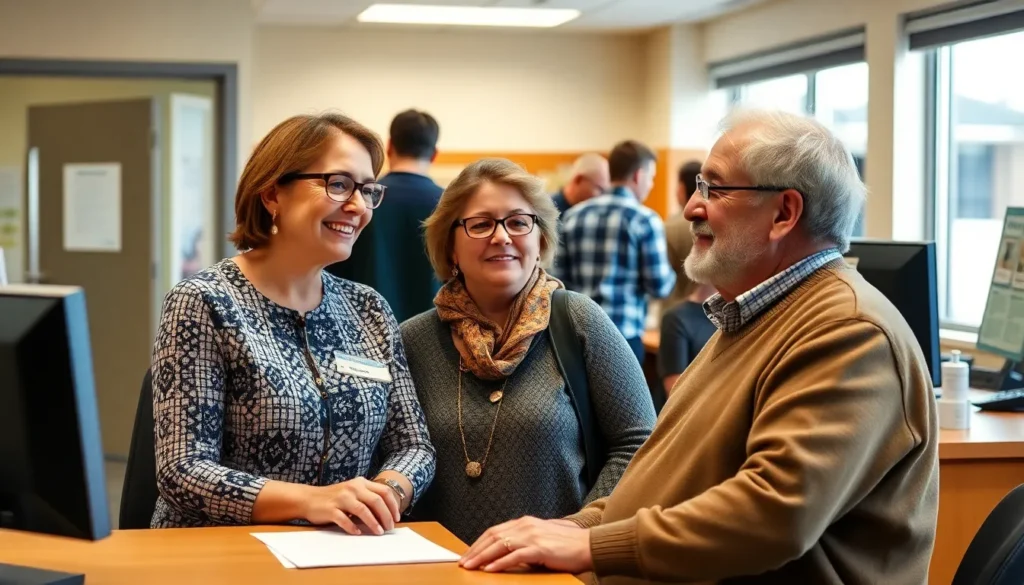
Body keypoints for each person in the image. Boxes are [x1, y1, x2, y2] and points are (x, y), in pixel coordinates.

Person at [458, 110, 939, 585]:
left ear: (784, 213)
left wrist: (590, 547)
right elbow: (670, 480)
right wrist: (576, 528)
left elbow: (774, 514)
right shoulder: (749, 318)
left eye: (715, 189)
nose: (691, 208)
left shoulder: (847, 331)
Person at [151, 113, 436, 532]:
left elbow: (413, 446)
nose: (358, 206)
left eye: (367, 190)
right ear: (272, 195)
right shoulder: (204, 301)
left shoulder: (369, 309)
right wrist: (313, 501)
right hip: (220, 549)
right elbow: (183, 470)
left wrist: (385, 493)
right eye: (338, 184)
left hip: (340, 548)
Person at [401, 158, 656, 544]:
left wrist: (577, 528)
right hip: (440, 566)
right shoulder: (412, 341)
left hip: (557, 567)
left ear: (540, 241)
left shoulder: (578, 321)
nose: (502, 236)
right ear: (450, 247)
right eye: (481, 224)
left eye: (519, 222)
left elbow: (639, 444)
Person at [555, 140, 675, 363]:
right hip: (624, 337)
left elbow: (558, 280)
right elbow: (659, 286)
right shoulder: (645, 220)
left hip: (576, 336)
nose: (650, 185)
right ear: (638, 175)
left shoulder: (572, 216)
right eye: (651, 177)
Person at [326, 109, 444, 323]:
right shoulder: (449, 206)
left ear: (389, 147)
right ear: (435, 154)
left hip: (364, 328)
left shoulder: (361, 200)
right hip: (431, 332)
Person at [663, 160, 704, 307]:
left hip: (673, 308)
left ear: (681, 188)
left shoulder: (668, 227)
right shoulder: (713, 224)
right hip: (708, 311)